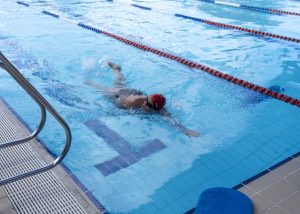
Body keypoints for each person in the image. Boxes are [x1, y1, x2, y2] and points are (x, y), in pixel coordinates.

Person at [85, 62, 200, 137]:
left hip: (134, 93)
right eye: (147, 103)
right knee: (108, 89)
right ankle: (92, 79)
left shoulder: (160, 108)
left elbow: (171, 119)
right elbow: (117, 98)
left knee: (120, 82)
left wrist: (185, 130)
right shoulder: (133, 101)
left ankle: (117, 70)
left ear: (156, 108)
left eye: (149, 105)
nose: (146, 105)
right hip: (122, 96)